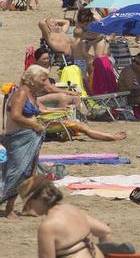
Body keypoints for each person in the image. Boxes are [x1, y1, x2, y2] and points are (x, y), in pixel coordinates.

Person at [19, 176, 113, 257]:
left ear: (40, 198)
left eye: (29, 204)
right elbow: (105, 232)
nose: (29, 209)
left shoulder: (47, 227)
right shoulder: (73, 210)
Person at [1, 66, 47, 218]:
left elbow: (40, 110)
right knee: (17, 173)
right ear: (32, 80)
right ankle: (9, 209)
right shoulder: (21, 92)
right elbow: (15, 115)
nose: (45, 82)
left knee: (29, 173)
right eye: (43, 79)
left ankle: (27, 207)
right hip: (18, 138)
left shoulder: (31, 94)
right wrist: (34, 125)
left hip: (30, 137)